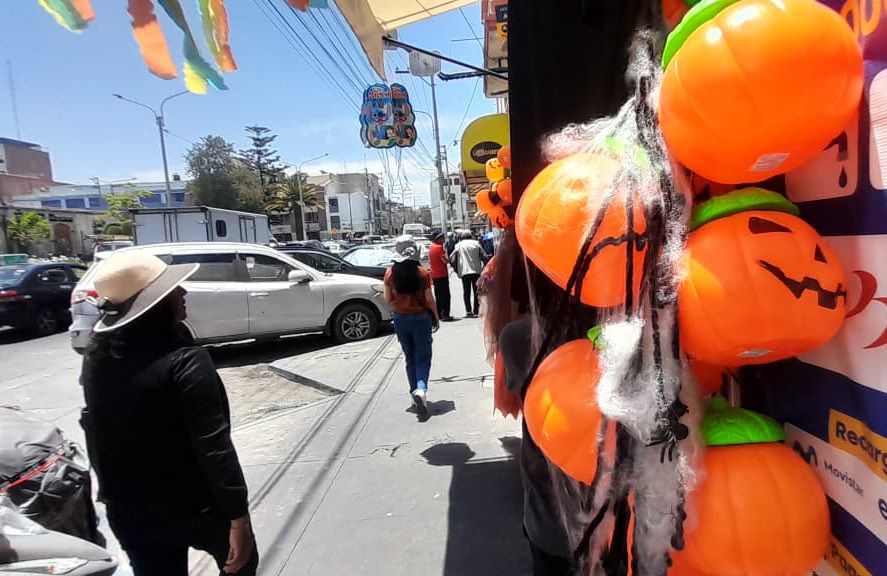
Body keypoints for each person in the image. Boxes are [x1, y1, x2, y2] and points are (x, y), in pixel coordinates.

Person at [79, 250, 257, 576]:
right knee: (241, 564)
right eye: (174, 289)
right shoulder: (186, 360)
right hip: (197, 508)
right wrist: (239, 518)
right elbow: (214, 446)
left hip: (129, 512)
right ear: (156, 302)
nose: (183, 292)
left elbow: (98, 433)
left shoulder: (96, 358)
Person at [384, 235, 440, 416]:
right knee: (423, 356)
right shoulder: (422, 272)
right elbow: (429, 299)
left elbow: (387, 299)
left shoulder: (390, 273)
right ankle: (421, 389)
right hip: (420, 318)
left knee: (410, 357)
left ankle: (413, 393)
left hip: (400, 319)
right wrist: (436, 317)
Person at [449, 231, 484, 318]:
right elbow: (484, 255)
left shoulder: (459, 245)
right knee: (476, 292)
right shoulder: (476, 243)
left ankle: (468, 311)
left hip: (465, 271)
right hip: (476, 270)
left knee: (466, 292)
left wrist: (455, 268)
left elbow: (452, 256)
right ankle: (476, 311)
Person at [428, 231, 453, 321]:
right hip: (441, 274)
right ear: (438, 239)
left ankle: (439, 313)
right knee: (445, 296)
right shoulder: (438, 248)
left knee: (438, 295)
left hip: (435, 274)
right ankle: (445, 314)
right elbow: (445, 260)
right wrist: (451, 257)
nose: (444, 239)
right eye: (442, 238)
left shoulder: (431, 247)